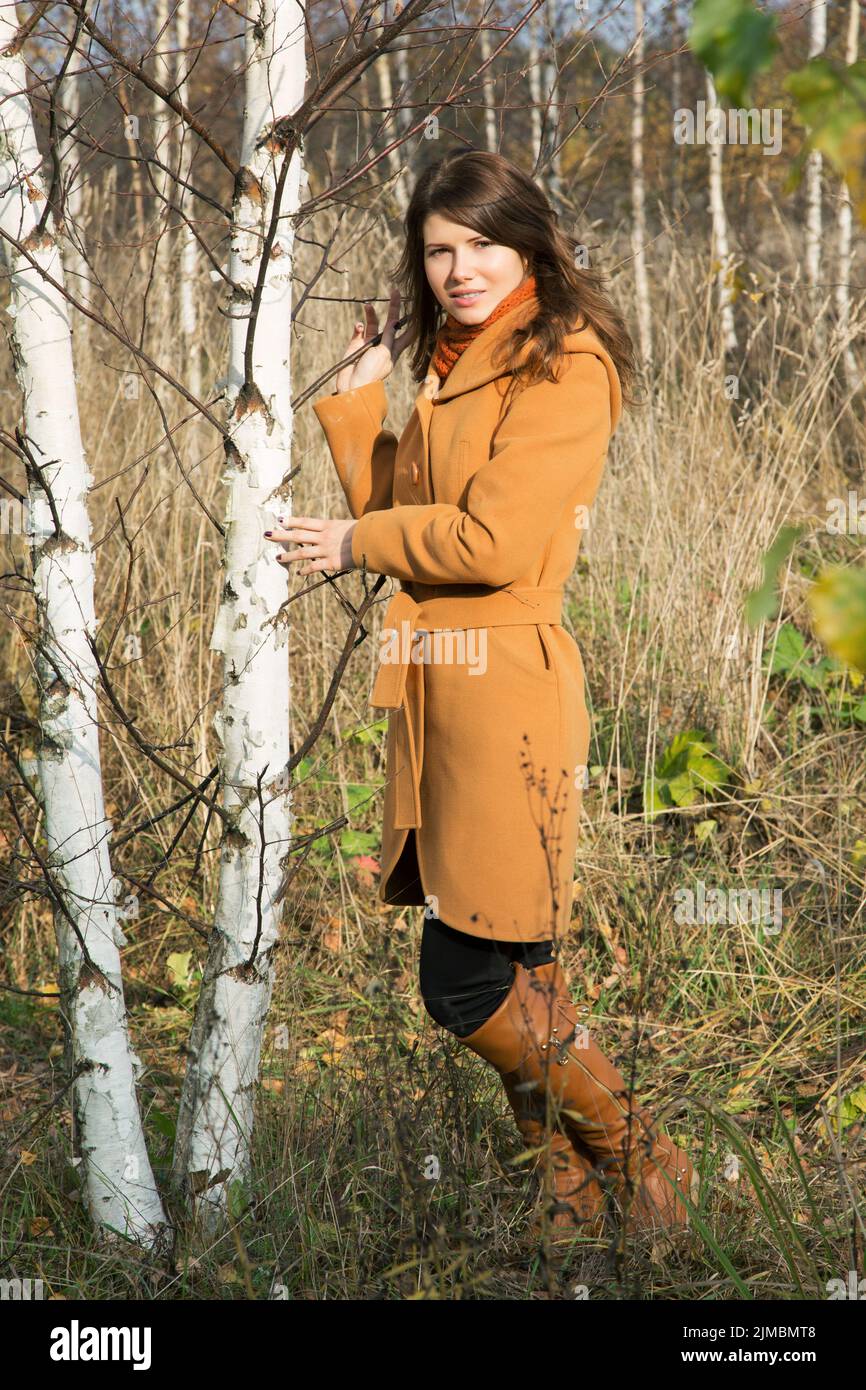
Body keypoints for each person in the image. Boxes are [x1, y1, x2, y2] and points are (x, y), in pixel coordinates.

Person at [265, 148, 700, 1243]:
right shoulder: (453, 363)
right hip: (437, 692)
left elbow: (489, 540)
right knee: (521, 974)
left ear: (527, 245)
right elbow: (407, 532)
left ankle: (649, 1159)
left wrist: (354, 539)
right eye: (437, 250)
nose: (458, 268)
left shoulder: (565, 363)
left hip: (504, 691)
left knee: (462, 981)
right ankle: (568, 1222)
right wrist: (358, 396)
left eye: (479, 245)